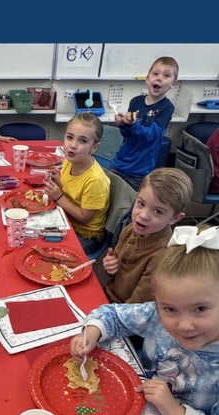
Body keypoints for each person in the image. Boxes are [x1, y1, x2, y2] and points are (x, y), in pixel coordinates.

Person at [71, 226, 219, 415]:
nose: (184, 324)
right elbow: (113, 315)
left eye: (201, 309)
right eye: (170, 309)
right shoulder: (156, 315)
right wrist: (93, 332)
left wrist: (175, 412)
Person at [103, 168, 191, 304]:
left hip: (124, 314)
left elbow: (136, 308)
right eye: (141, 203)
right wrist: (111, 266)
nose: (143, 215)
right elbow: (117, 274)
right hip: (109, 298)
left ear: (174, 218)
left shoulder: (161, 256)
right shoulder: (130, 229)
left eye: (158, 211)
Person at [43, 113, 110, 257]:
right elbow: (73, 190)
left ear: (94, 147)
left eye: (83, 141)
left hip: (86, 234)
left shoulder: (95, 180)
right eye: (69, 137)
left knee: (48, 253)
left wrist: (58, 196)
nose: (73, 145)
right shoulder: (69, 161)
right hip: (66, 218)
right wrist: (59, 183)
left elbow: (85, 218)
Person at [111, 57, 178, 191]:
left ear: (173, 83)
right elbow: (126, 135)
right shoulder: (136, 101)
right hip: (119, 163)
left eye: (166, 75)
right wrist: (123, 124)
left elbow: (151, 135)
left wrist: (133, 124)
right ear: (147, 79)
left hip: (139, 170)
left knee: (132, 206)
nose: (159, 78)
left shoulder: (167, 108)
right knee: (107, 198)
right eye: (155, 73)